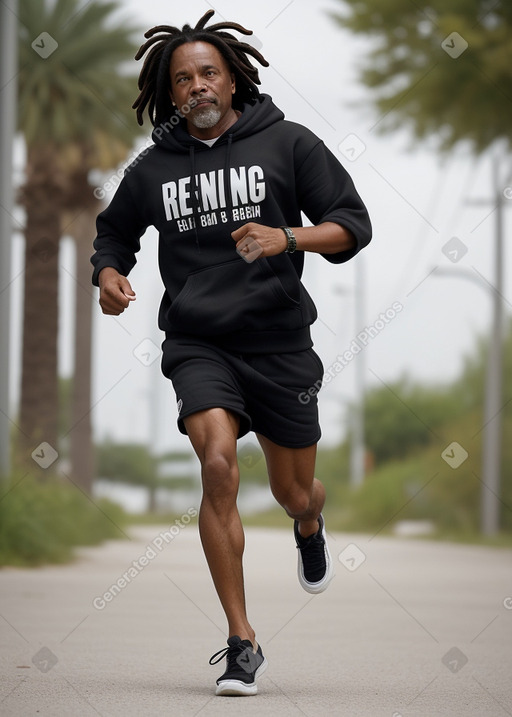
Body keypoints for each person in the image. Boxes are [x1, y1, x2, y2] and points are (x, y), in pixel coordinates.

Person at [91, 9, 372, 697]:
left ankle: (309, 520)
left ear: (232, 77)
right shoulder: (154, 168)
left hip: (279, 343)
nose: (196, 86)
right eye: (181, 78)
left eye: (207, 72)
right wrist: (106, 276)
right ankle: (241, 639)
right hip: (198, 343)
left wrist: (289, 238)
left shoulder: (289, 144)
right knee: (217, 465)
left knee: (291, 488)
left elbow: (352, 225)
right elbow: (113, 234)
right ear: (170, 91)